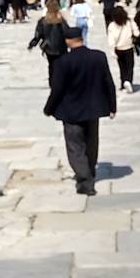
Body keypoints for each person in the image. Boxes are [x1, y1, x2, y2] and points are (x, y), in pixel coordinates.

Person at [44, 26, 117, 196]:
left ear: (68, 41)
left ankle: (85, 181)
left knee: (75, 147)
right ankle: (89, 171)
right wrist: (112, 106)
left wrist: (49, 108)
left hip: (72, 112)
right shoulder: (98, 57)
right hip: (93, 110)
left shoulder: (63, 62)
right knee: (91, 144)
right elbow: (108, 82)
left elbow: (57, 89)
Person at [27, 0, 68, 86]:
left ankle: (52, 82)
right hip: (61, 46)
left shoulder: (43, 21)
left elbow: (38, 35)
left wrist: (32, 44)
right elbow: (67, 33)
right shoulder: (61, 21)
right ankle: (60, 81)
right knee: (60, 65)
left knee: (51, 65)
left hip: (49, 47)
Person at [107, 5, 140, 93]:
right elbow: (137, 33)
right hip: (128, 47)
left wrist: (112, 51)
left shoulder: (112, 25)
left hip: (118, 49)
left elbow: (111, 40)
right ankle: (128, 81)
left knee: (122, 67)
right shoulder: (129, 22)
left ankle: (123, 84)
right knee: (129, 66)